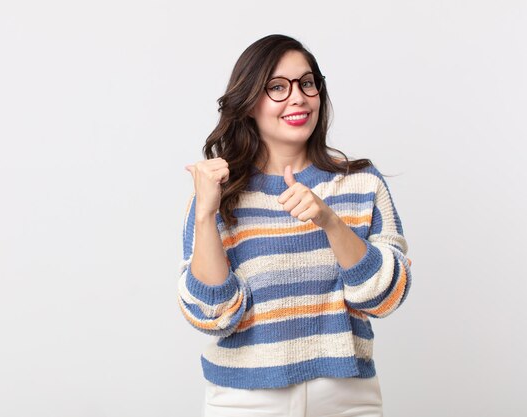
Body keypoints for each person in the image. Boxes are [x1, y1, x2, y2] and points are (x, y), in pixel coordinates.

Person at [177, 34, 412, 417]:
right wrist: (205, 214)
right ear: (250, 102)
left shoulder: (361, 183)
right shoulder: (220, 195)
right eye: (277, 87)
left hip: (347, 399)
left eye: (307, 83)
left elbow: (386, 297)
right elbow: (212, 315)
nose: (298, 97)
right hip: (246, 400)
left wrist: (330, 221)